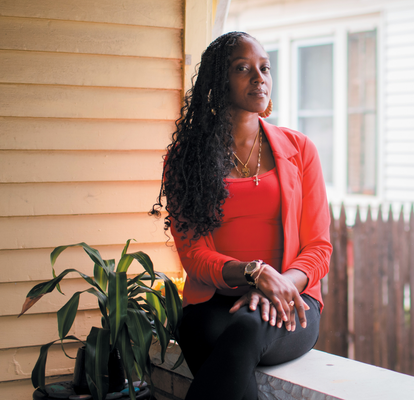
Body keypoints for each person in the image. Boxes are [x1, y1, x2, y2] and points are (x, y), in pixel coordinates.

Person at [150, 31, 332, 400]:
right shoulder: (188, 160)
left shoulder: (300, 150)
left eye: (264, 68)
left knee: (248, 328)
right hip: (215, 302)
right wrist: (256, 273)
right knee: (223, 342)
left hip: (294, 300)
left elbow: (318, 248)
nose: (259, 77)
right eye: (242, 68)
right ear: (219, 81)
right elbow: (195, 256)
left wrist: (278, 284)